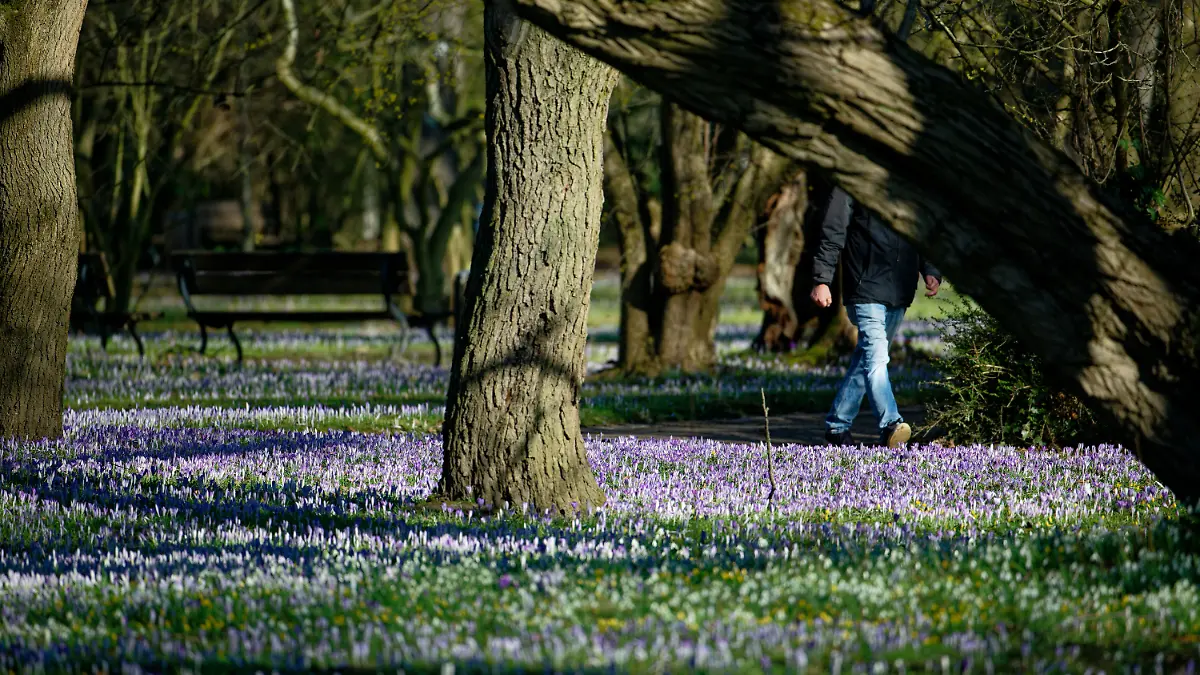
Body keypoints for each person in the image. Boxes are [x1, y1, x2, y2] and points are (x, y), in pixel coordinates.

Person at [810, 187, 942, 448]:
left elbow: (921, 229)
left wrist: (930, 268)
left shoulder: (907, 180)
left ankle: (838, 425)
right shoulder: (850, 182)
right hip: (865, 287)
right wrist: (822, 279)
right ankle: (891, 423)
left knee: (867, 358)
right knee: (877, 356)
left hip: (900, 289)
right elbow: (833, 231)